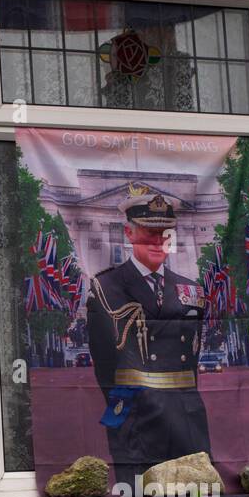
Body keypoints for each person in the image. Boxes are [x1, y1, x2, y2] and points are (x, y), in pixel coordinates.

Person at [85, 184, 211, 478]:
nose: (157, 241)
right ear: (129, 234)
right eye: (148, 233)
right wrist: (123, 410)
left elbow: (192, 355)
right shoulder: (106, 288)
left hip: (185, 411)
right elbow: (104, 364)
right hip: (135, 413)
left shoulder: (190, 290)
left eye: (164, 233)